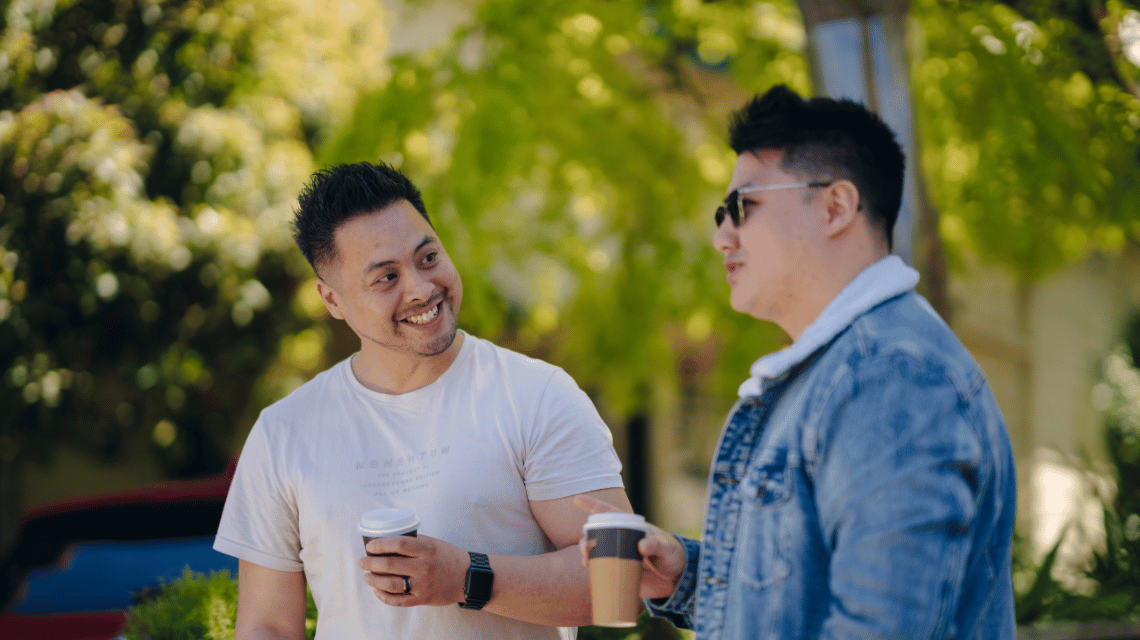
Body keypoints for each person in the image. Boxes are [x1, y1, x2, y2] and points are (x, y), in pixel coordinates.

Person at [578, 85, 1017, 638]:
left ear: (836, 206)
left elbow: (884, 625)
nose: (721, 237)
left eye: (742, 207)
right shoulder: (836, 372)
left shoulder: (891, 376)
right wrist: (688, 575)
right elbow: (814, 592)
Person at [214, 161, 633, 640]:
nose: (420, 288)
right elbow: (266, 625)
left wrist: (468, 578)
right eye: (386, 278)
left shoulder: (536, 395)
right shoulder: (284, 431)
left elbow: (617, 581)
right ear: (332, 300)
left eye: (428, 258)